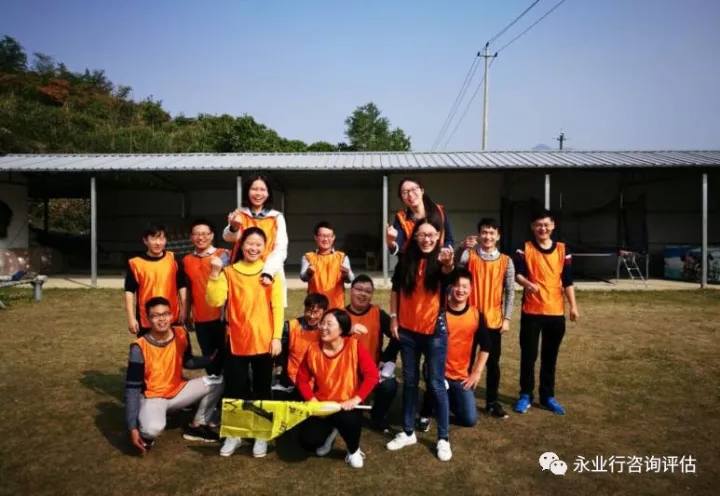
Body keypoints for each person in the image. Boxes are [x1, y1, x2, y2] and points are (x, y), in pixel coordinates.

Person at [206, 227, 284, 458]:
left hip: (264, 341)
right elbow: (215, 300)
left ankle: (261, 433)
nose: (254, 248)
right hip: (236, 342)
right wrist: (214, 273)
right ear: (241, 245)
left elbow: (277, 308)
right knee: (235, 389)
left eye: (259, 244)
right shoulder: (229, 272)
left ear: (265, 248)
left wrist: (276, 337)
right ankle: (235, 433)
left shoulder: (270, 273)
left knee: (262, 389)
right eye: (250, 243)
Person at [385, 218, 456, 462]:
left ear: (438, 237)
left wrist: (448, 265)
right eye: (422, 235)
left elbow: (448, 276)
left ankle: (443, 438)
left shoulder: (443, 259)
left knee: (436, 384)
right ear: (415, 237)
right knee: (410, 382)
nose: (426, 239)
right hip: (407, 331)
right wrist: (394, 319)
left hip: (434, 331)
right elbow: (395, 290)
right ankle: (407, 432)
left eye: (431, 235)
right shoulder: (406, 259)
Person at [124, 296, 223, 454]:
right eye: (156, 315)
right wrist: (132, 428)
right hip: (153, 397)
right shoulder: (139, 347)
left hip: (177, 391)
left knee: (217, 382)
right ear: (148, 319)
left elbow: (187, 361)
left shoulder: (181, 333)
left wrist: (209, 359)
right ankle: (146, 427)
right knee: (152, 429)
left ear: (171, 315)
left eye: (165, 314)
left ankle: (197, 426)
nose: (161, 319)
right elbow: (132, 389)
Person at [513, 209, 580, 416]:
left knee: (550, 357)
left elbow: (567, 280)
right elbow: (518, 274)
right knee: (528, 356)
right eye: (538, 225)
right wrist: (527, 283)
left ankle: (547, 396)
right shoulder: (524, 248)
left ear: (553, 226)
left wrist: (573, 306)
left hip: (555, 312)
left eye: (546, 224)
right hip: (531, 311)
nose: (543, 228)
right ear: (532, 227)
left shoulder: (562, 250)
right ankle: (525, 394)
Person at [295, 309, 379, 469]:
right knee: (307, 441)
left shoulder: (354, 346)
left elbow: (372, 375)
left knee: (349, 421)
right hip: (323, 406)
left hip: (347, 404)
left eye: (329, 324)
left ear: (342, 329)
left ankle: (353, 450)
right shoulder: (312, 349)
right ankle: (332, 430)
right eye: (322, 323)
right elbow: (302, 379)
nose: (323, 327)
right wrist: (311, 399)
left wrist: (356, 399)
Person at [457, 217, 515, 419]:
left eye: (491, 233)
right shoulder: (469, 255)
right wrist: (461, 246)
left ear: (498, 236)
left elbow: (510, 291)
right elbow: (454, 266)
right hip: (470, 320)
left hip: (493, 321)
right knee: (466, 361)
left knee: (493, 363)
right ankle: (463, 398)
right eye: (484, 232)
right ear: (478, 234)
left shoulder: (506, 261)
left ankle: (492, 401)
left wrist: (507, 318)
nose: (487, 236)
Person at [418, 268, 491, 427]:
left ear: (471, 289)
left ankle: (448, 400)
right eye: (457, 285)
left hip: (461, 376)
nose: (460, 290)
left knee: (469, 420)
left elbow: (486, 346)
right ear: (450, 287)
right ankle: (427, 409)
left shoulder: (476, 315)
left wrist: (476, 373)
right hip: (438, 373)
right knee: (436, 387)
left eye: (465, 286)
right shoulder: (439, 313)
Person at [222, 174, 289, 306]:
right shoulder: (239, 214)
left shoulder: (276, 217)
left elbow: (280, 249)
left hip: (265, 273)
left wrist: (268, 272)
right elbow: (228, 237)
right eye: (254, 189)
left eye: (262, 189)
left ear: (268, 193)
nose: (258, 193)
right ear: (247, 191)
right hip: (241, 272)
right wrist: (234, 227)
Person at [345, 274, 400, 433]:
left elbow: (397, 337)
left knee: (389, 385)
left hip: (372, 370)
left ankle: (378, 416)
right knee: (350, 417)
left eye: (368, 291)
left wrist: (386, 358)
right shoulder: (340, 316)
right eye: (359, 289)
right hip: (345, 373)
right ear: (351, 291)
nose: (363, 294)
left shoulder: (377, 314)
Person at [182, 219, 230, 372]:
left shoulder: (224, 254)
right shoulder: (186, 260)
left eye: (204, 234)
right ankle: (214, 382)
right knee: (208, 356)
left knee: (227, 355)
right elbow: (188, 290)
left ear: (212, 235)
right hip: (200, 317)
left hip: (222, 316)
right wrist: (187, 313)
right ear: (191, 237)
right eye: (196, 234)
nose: (200, 237)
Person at [124, 222, 187, 336]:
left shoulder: (174, 260)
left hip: (172, 316)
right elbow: (129, 292)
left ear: (166, 240)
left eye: (161, 238)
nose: (158, 243)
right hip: (146, 318)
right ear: (145, 240)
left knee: (176, 346)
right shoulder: (135, 263)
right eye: (153, 239)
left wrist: (185, 309)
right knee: (147, 347)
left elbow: (182, 286)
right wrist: (131, 318)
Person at [275, 292, 330, 397]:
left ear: (324, 312)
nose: (312, 316)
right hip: (292, 380)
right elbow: (281, 354)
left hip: (319, 381)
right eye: (308, 311)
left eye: (316, 312)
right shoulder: (290, 327)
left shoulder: (328, 330)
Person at [385, 177, 454, 257]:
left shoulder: (440, 210)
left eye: (413, 189)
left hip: (437, 260)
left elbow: (448, 239)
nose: (410, 194)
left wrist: (446, 250)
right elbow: (398, 246)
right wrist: (390, 242)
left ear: (422, 191)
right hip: (412, 262)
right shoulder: (401, 217)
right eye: (405, 192)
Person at [300, 221, 354, 309]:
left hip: (336, 308)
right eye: (322, 236)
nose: (325, 239)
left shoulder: (342, 257)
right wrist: (308, 272)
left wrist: (346, 275)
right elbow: (303, 277)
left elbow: (351, 278)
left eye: (328, 236)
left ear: (333, 238)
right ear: (315, 237)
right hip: (315, 308)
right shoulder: (308, 257)